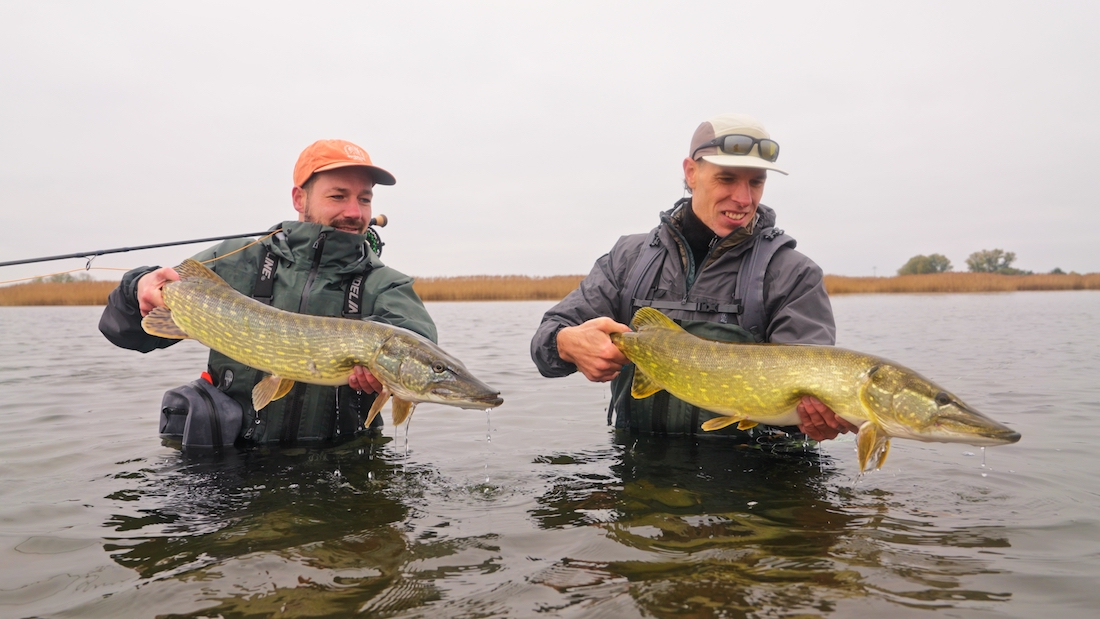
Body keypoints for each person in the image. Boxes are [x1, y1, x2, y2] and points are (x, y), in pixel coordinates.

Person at [530, 113, 859, 441]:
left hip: (754, 475)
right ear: (691, 172)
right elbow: (545, 343)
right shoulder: (628, 259)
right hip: (637, 465)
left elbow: (806, 406)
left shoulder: (794, 275)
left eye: (756, 181)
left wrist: (814, 420)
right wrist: (566, 343)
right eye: (727, 179)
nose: (744, 199)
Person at [100, 139, 437, 444]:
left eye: (364, 199)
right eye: (338, 196)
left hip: (339, 469)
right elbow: (129, 333)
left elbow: (416, 343)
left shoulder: (385, 284)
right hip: (231, 470)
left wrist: (392, 380)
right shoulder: (238, 261)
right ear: (298, 198)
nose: (354, 211)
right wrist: (138, 287)